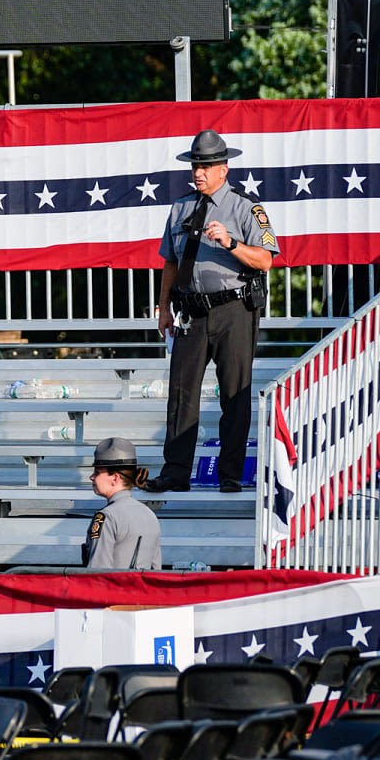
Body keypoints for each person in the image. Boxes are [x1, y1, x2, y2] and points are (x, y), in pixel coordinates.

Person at [144, 129, 279, 495]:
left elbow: (265, 260)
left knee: (233, 394)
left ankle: (230, 474)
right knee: (181, 393)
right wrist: (164, 308)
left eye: (205, 166)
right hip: (191, 311)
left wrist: (232, 243)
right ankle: (175, 472)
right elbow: (170, 262)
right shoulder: (181, 207)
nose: (198, 172)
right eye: (195, 165)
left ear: (224, 168)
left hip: (233, 309)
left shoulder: (245, 207)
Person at [84, 437, 163, 570]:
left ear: (115, 478)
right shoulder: (149, 515)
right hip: (143, 590)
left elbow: (98, 572)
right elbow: (156, 570)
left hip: (114, 590)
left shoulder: (107, 517)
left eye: (97, 472)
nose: (92, 477)